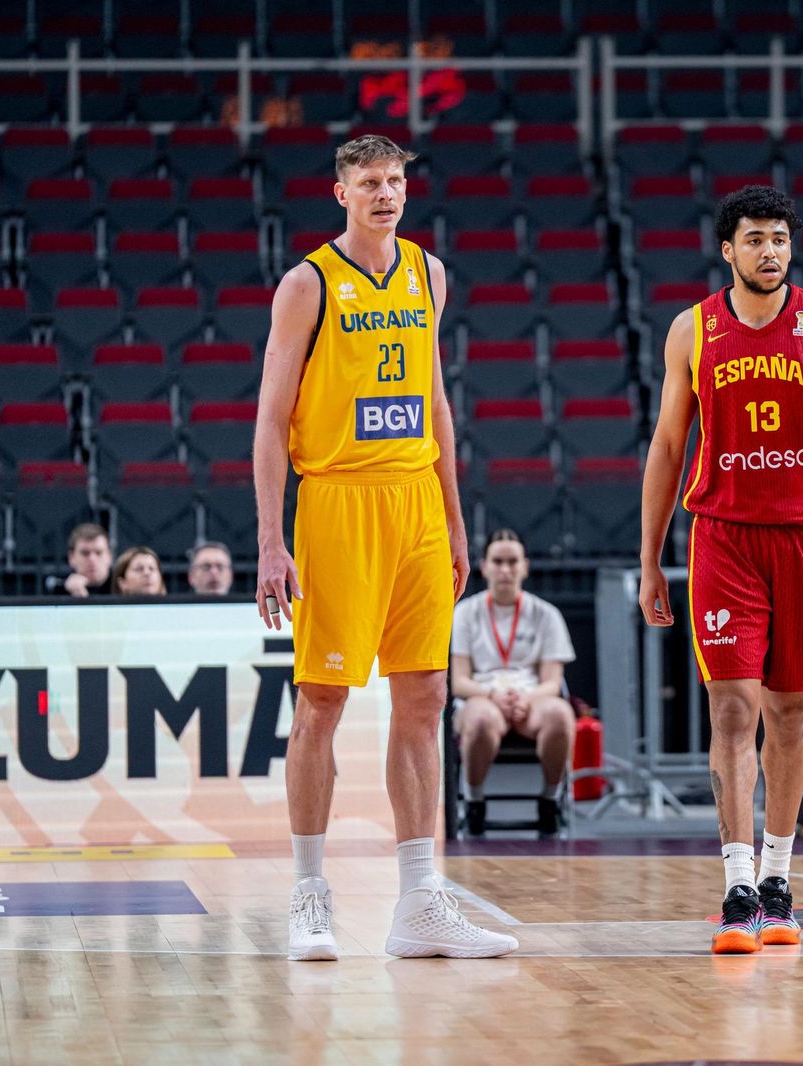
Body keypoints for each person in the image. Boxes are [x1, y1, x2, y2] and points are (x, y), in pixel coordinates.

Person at [253, 133, 515, 963]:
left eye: (396, 181)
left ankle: (419, 903)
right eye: (370, 182)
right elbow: (267, 419)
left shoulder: (428, 273)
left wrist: (456, 514)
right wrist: (269, 538)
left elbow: (436, 398)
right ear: (341, 193)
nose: (386, 194)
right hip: (336, 502)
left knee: (424, 697)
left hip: (416, 505)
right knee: (322, 702)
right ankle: (308, 895)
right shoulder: (307, 284)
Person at [638, 185, 803, 955]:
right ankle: (736, 887)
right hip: (723, 537)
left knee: (791, 715)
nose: (770, 252)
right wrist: (651, 560)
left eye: (780, 239)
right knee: (731, 712)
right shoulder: (693, 330)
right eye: (754, 239)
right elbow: (666, 446)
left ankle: (781, 878)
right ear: (729, 250)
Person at [450, 529, 577, 838]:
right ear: (484, 566)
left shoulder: (547, 615)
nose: (505, 570)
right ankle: (474, 801)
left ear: (525, 566)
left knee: (560, 715)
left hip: (530, 698)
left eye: (512, 562)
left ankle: (550, 799)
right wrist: (492, 695)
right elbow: (459, 681)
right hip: (480, 696)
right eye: (497, 561)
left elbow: (553, 681)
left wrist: (527, 697)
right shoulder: (465, 613)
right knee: (480, 719)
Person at [60, 523, 112, 596]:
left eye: (98, 553)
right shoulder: (58, 591)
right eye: (85, 553)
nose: (92, 559)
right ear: (71, 558)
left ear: (109, 557)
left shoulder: (124, 588)